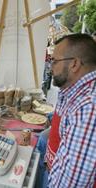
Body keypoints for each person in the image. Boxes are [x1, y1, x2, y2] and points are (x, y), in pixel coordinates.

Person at [46, 33, 96, 187]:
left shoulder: (88, 108)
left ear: (74, 64)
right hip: (51, 168)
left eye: (54, 61)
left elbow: (71, 183)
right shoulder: (71, 87)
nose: (50, 68)